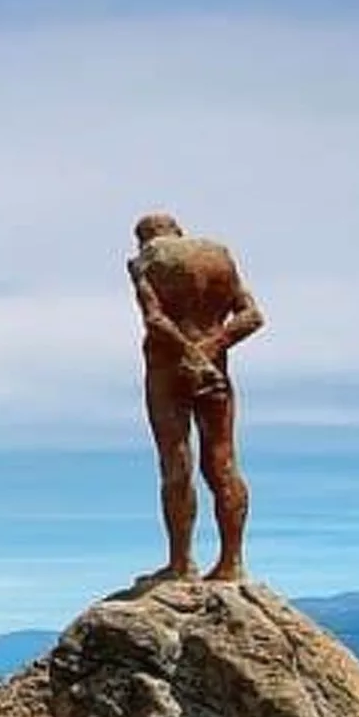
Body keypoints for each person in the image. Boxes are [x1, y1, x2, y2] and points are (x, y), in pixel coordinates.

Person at [128, 213, 265, 583]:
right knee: (222, 462)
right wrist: (210, 349)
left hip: (168, 371)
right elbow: (251, 316)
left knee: (176, 462)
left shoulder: (148, 262)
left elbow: (155, 320)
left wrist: (189, 354)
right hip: (215, 372)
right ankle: (232, 563)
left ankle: (180, 563)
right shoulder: (218, 257)